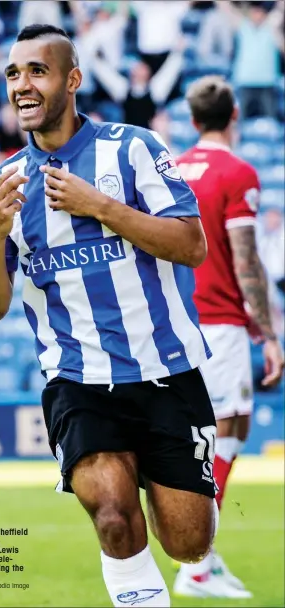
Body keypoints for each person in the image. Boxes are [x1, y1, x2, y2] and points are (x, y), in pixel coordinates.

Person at [0, 24, 218, 607]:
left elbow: (191, 245)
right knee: (112, 516)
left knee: (188, 544)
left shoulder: (132, 148)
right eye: (13, 73)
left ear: (73, 80)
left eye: (37, 70)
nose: (22, 85)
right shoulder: (2, 184)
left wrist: (98, 205)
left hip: (166, 371)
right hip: (77, 380)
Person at [174, 75, 284, 598]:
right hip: (219, 321)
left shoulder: (171, 168)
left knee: (209, 434)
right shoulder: (237, 172)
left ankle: (200, 553)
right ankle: (195, 559)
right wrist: (269, 333)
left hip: (175, 320)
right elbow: (244, 259)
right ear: (234, 115)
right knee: (231, 429)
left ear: (193, 120)